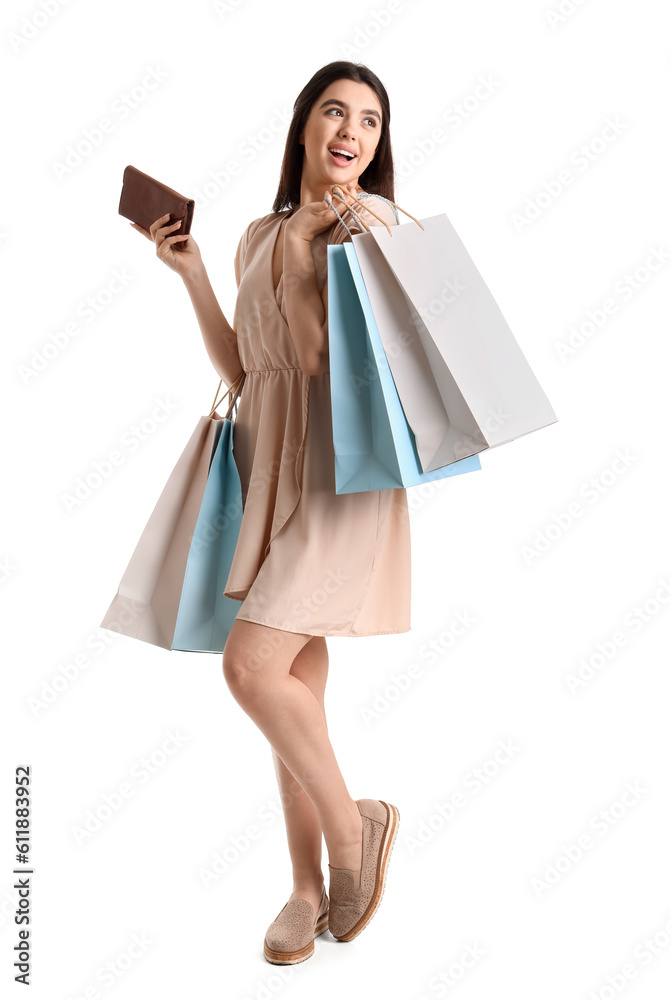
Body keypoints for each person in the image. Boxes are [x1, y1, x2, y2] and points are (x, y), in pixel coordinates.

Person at [130, 60, 410, 965]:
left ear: (376, 145)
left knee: (250, 669)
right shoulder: (261, 234)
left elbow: (389, 349)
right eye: (336, 111)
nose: (352, 131)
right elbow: (248, 372)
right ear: (303, 126)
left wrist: (360, 232)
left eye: (369, 121)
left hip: (337, 476)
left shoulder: (369, 226)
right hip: (265, 465)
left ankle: (353, 826)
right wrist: (193, 272)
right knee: (297, 693)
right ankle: (304, 887)